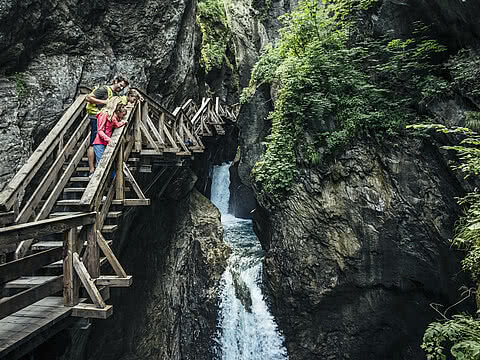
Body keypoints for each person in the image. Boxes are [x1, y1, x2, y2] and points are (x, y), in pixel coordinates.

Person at [85, 76, 129, 176]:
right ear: (116, 81)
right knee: (93, 142)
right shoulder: (104, 89)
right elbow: (88, 98)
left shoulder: (115, 94)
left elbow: (121, 101)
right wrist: (105, 102)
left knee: (100, 142)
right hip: (96, 117)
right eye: (121, 85)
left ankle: (100, 169)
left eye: (123, 87)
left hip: (106, 119)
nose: (121, 88)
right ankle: (92, 170)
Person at [92, 103, 128, 168]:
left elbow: (116, 124)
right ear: (118, 111)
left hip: (105, 142)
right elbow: (100, 131)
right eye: (123, 115)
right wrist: (109, 140)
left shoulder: (113, 117)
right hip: (99, 143)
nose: (122, 117)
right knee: (101, 163)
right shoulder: (106, 115)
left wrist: (122, 122)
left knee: (106, 163)